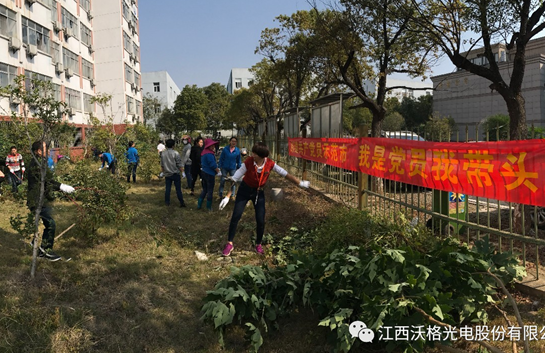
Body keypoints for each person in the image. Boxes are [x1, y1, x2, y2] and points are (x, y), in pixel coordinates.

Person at [220, 142, 310, 256]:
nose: (252, 154)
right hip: (244, 191)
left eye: (255, 153)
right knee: (236, 216)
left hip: (258, 192)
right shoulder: (248, 162)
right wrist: (228, 195)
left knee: (261, 219)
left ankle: (258, 244)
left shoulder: (270, 164)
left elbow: (285, 174)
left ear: (261, 155)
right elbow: (237, 176)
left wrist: (300, 183)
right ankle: (230, 243)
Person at [27, 141, 75, 261]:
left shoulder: (40, 162)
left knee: (48, 223)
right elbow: (46, 181)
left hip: (40, 199)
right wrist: (61, 186)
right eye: (45, 148)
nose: (48, 150)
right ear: (38, 151)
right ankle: (46, 250)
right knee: (51, 224)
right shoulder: (35, 165)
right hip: (36, 201)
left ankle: (40, 247)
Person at [161, 139, 186, 207]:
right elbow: (179, 164)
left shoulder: (163, 153)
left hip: (167, 174)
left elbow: (162, 164)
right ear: (173, 145)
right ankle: (181, 202)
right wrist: (183, 172)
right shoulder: (175, 153)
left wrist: (162, 172)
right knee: (178, 189)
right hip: (175, 173)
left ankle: (167, 202)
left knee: (168, 189)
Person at [197, 138, 221, 211]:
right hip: (209, 174)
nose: (213, 146)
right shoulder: (209, 154)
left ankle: (199, 204)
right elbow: (212, 164)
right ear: (208, 146)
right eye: (211, 145)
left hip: (203, 172)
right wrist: (218, 171)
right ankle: (209, 207)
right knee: (210, 190)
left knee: (204, 189)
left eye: (213, 145)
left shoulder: (204, 152)